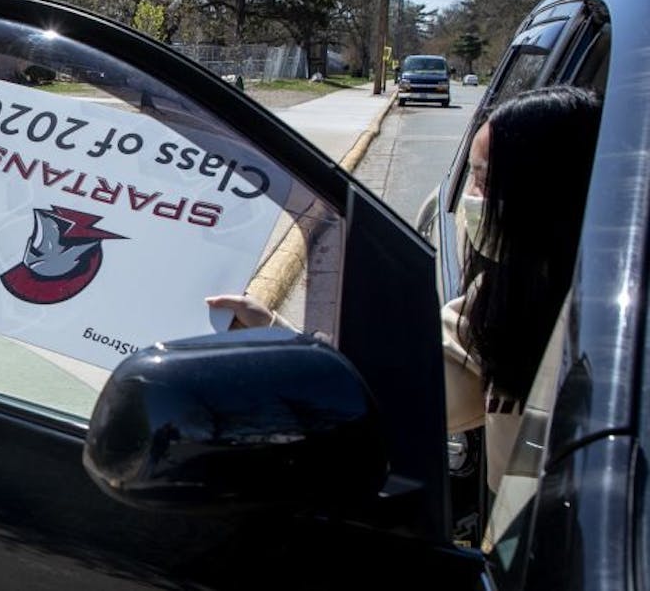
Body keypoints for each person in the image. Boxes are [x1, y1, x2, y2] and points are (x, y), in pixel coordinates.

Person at [208, 85, 602, 493]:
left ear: (544, 193)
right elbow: (398, 383)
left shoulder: (616, 332)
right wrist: (273, 331)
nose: (468, 198)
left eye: (484, 181)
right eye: (470, 177)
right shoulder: (501, 303)